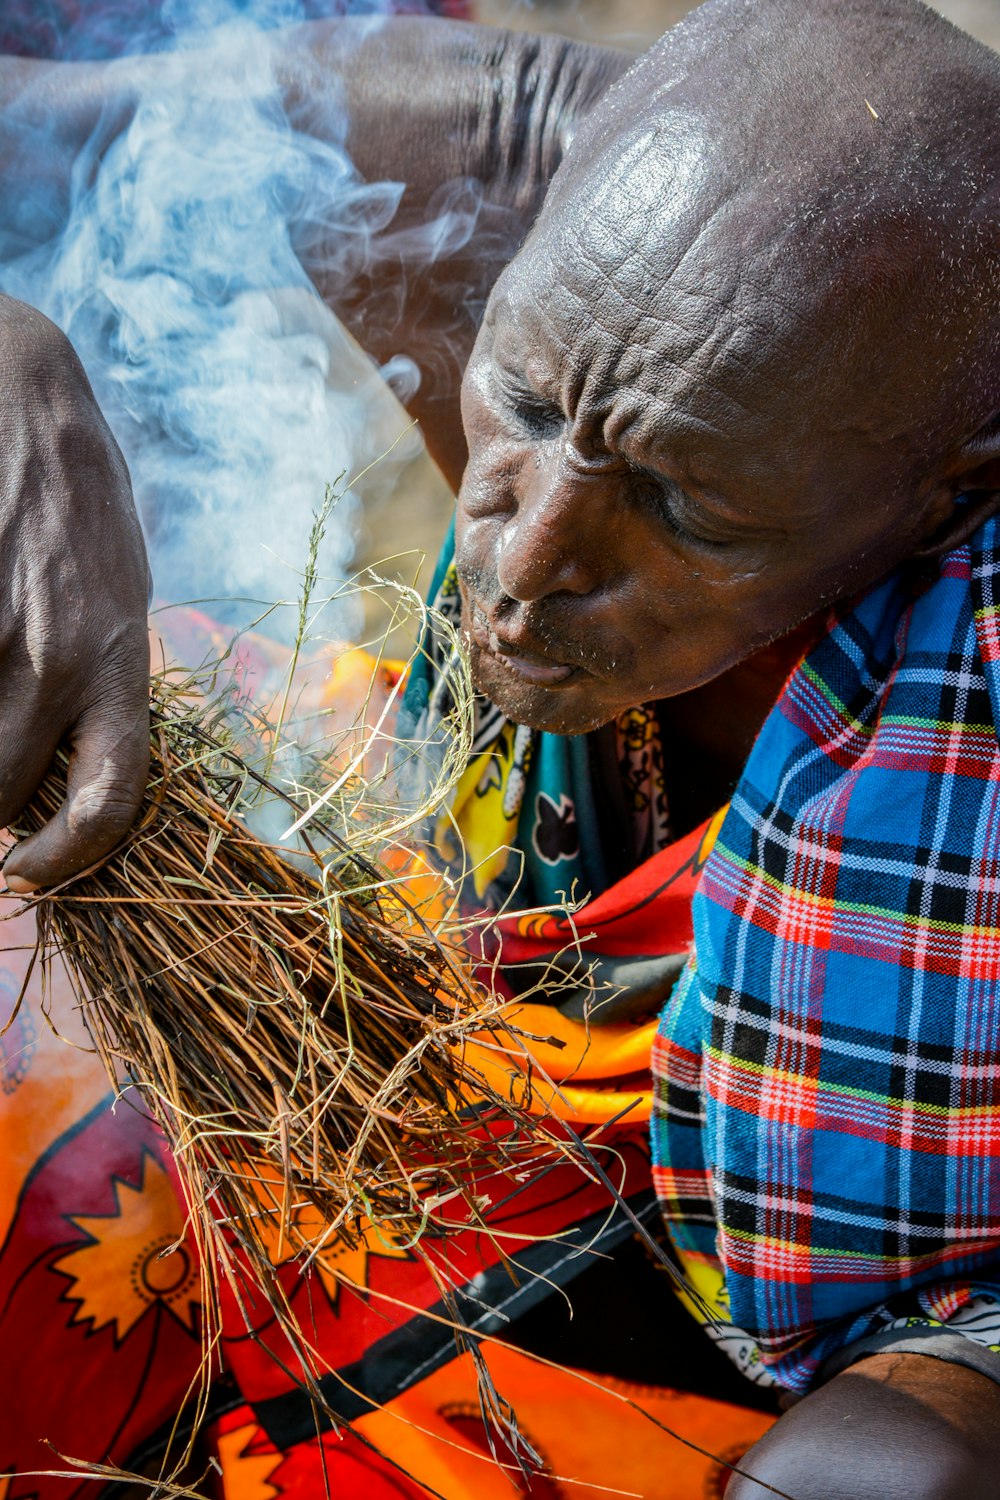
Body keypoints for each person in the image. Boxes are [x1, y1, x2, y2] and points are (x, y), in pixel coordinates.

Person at [1, 0, 1000, 1495]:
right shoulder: (521, 168)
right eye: (520, 404)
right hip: (414, 972)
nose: (527, 559)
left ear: (939, 497)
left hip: (795, 1309)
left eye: (686, 513)